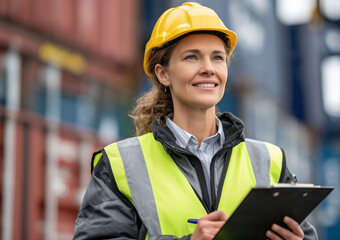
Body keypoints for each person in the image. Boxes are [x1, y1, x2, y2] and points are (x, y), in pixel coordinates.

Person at [73, 2, 318, 240]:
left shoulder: (270, 161)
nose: (208, 68)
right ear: (163, 73)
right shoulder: (120, 165)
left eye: (217, 58)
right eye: (192, 57)